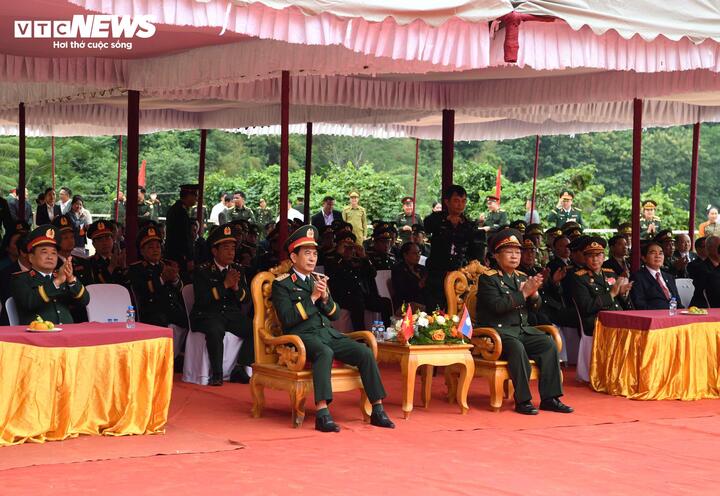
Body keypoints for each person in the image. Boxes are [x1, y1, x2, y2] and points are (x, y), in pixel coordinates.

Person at [271, 225, 395, 432]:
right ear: (294, 257)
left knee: (364, 352)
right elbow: (288, 319)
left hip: (328, 333)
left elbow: (335, 314)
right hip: (301, 337)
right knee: (324, 352)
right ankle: (322, 413)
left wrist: (326, 298)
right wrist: (312, 298)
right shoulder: (281, 284)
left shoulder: (317, 280)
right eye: (307, 253)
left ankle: (378, 409)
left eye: (315, 253)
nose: (312, 258)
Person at [475, 229, 571, 415]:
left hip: (522, 330)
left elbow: (535, 307)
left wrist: (534, 295)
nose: (514, 256)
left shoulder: (520, 276)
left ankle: (550, 398)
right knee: (517, 348)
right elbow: (497, 307)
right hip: (498, 333)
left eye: (517, 252)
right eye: (509, 252)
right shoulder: (488, 279)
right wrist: (524, 293)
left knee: (548, 344)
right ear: (496, 255)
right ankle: (523, 400)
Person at [190, 224, 254, 386]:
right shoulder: (202, 270)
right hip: (207, 314)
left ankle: (240, 367)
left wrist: (236, 287)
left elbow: (246, 299)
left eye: (233, 248)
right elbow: (202, 300)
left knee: (254, 327)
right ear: (214, 251)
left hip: (230, 314)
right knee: (215, 328)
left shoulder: (238, 269)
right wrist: (224, 285)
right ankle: (217, 374)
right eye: (226, 248)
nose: (231, 252)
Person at [10, 225, 90, 325]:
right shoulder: (21, 279)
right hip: (38, 334)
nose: (50, 257)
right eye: (44, 252)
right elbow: (29, 302)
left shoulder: (62, 277)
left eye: (53, 253)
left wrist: (71, 279)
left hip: (67, 333)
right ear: (31, 257)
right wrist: (56, 282)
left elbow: (84, 301)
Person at [126, 225, 188, 351]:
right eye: (150, 247)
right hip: (152, 311)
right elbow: (143, 291)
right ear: (142, 251)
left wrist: (175, 279)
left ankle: (177, 357)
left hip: (172, 309)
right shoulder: (136, 269)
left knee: (189, 319)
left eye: (158, 246)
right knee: (161, 321)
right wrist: (162, 279)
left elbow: (181, 289)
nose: (155, 250)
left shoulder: (167, 264)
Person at [423, 185, 484, 310]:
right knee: (435, 309)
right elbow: (427, 225)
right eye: (456, 201)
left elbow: (474, 250)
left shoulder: (468, 224)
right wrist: (446, 220)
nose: (460, 205)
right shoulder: (436, 219)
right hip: (437, 272)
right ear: (447, 202)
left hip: (459, 273)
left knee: (457, 308)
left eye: (463, 201)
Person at [327, 231, 393, 330]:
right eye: (346, 247)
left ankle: (387, 331)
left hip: (362, 296)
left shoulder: (358, 261)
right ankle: (360, 335)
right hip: (343, 297)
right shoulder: (333, 260)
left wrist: (364, 256)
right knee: (357, 302)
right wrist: (339, 255)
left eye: (351, 248)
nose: (349, 251)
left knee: (385, 302)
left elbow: (372, 274)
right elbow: (333, 275)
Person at [567, 237, 633, 336]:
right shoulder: (579, 277)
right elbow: (586, 307)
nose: (595, 259)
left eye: (598, 255)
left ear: (604, 256)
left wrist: (623, 294)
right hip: (597, 323)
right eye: (590, 256)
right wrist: (611, 294)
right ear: (585, 258)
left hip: (618, 318)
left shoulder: (610, 273)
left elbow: (622, 303)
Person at [630, 240, 683, 310]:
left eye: (661, 253)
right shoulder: (638, 277)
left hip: (674, 316)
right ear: (644, 258)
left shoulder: (669, 277)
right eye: (653, 253)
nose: (658, 256)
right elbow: (640, 305)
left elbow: (678, 303)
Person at [75, 220, 126, 286]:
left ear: (113, 240)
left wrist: (124, 267)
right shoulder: (88, 263)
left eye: (107, 238)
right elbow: (93, 286)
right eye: (99, 239)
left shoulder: (120, 258)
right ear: (93, 244)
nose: (104, 243)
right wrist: (111, 267)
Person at [165, 184, 198, 274]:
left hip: (176, 254)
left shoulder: (178, 209)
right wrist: (189, 257)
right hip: (178, 256)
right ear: (189, 196)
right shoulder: (179, 212)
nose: (196, 199)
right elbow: (184, 237)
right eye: (195, 195)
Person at [391, 241, 428, 312]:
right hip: (405, 303)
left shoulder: (422, 268)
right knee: (428, 307)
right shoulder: (398, 270)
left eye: (419, 253)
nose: (418, 256)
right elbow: (401, 291)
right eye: (414, 253)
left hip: (423, 300)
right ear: (405, 255)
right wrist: (419, 285)